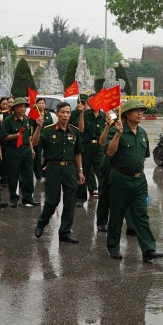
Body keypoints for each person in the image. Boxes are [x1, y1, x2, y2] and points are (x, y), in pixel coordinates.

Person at [105, 100, 163, 262]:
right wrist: (117, 134)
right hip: (120, 178)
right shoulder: (117, 130)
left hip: (139, 179)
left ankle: (148, 249)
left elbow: (143, 156)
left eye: (141, 111)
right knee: (117, 214)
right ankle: (113, 247)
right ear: (126, 114)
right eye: (136, 111)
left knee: (141, 214)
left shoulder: (143, 133)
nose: (140, 114)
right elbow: (109, 152)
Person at [32, 101, 85, 242]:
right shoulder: (48, 130)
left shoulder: (74, 131)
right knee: (52, 201)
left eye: (68, 112)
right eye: (63, 112)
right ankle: (42, 223)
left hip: (70, 169)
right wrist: (38, 128)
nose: (66, 115)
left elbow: (78, 153)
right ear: (56, 114)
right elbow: (35, 143)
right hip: (53, 168)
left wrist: (80, 171)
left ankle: (65, 232)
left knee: (69, 201)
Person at [3, 97, 37, 207]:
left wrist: (31, 149)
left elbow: (29, 136)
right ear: (15, 108)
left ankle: (27, 197)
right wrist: (16, 136)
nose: (23, 108)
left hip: (26, 149)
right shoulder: (9, 120)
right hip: (13, 150)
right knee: (13, 175)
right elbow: (5, 136)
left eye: (24, 106)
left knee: (28, 174)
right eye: (20, 106)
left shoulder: (27, 119)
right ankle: (13, 198)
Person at [75, 95, 105, 206]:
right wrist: (82, 114)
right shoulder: (85, 114)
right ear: (89, 103)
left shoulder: (104, 116)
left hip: (99, 147)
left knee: (101, 173)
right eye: (92, 101)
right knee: (84, 173)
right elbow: (81, 130)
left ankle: (104, 195)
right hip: (86, 147)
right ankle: (80, 198)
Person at [32, 98, 55, 183]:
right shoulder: (34, 114)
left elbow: (52, 125)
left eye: (43, 103)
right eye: (40, 103)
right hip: (38, 137)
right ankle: (38, 175)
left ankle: (44, 170)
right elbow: (31, 126)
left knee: (49, 154)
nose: (41, 105)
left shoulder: (47, 113)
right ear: (36, 104)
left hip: (47, 137)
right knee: (37, 157)